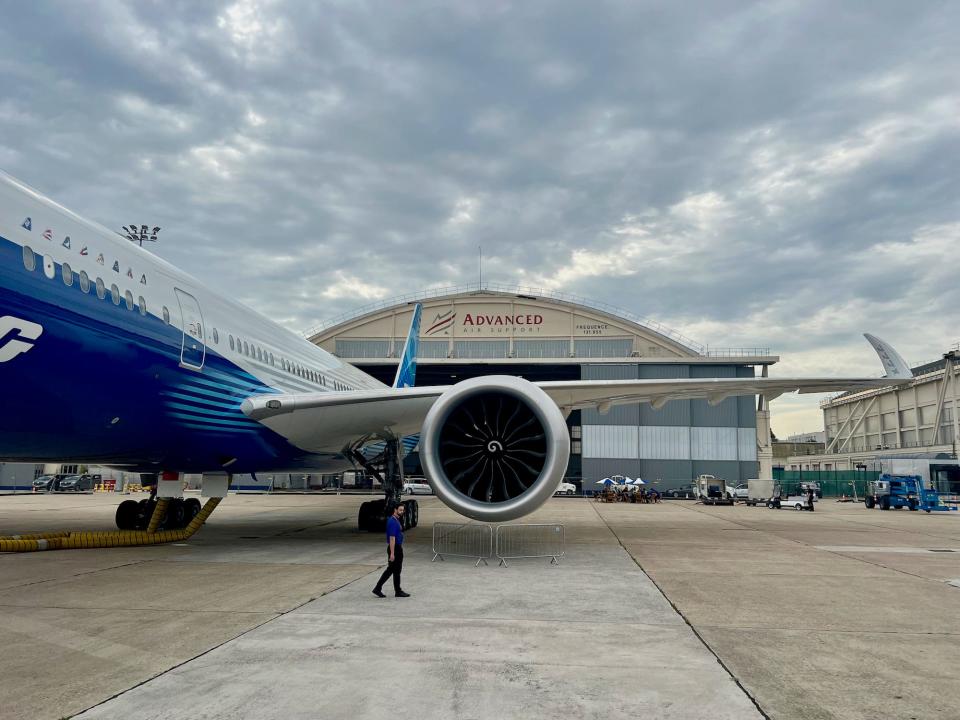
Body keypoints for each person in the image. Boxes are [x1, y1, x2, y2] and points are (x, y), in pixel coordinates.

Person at [373, 503, 410, 598]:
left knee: (394, 570)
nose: (402, 512)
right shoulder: (392, 521)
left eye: (403, 510)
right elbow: (392, 538)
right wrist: (392, 553)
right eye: (400, 510)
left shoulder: (396, 519)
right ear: (395, 510)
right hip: (395, 548)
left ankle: (394, 590)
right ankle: (381, 588)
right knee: (392, 570)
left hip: (397, 547)